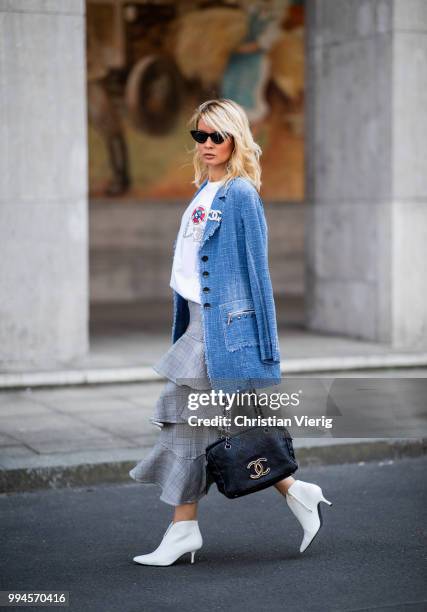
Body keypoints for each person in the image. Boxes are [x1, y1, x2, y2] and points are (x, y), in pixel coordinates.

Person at [129, 99, 332, 566]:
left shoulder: (240, 195)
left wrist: (264, 349)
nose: (205, 145)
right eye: (199, 136)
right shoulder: (204, 190)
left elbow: (258, 275)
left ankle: (187, 529)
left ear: (235, 138)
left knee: (197, 421)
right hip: (199, 325)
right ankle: (293, 492)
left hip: (222, 331)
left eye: (215, 137)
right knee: (208, 425)